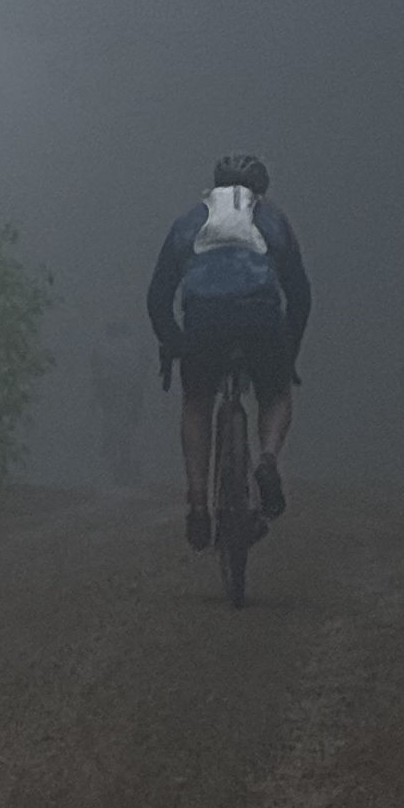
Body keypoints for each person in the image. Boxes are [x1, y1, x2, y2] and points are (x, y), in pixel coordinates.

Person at [146, 151, 310, 552]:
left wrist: (174, 341)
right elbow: (300, 295)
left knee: (197, 402)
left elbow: (158, 296)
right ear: (261, 189)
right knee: (275, 395)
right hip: (261, 319)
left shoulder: (190, 219)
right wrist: (288, 353)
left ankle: (198, 504)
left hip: (204, 321)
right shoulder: (272, 219)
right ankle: (267, 459)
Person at [87, 316, 149, 487]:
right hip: (130, 390)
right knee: (129, 427)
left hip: (109, 391)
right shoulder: (135, 345)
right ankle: (126, 463)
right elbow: (142, 370)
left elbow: (96, 372)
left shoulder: (101, 346)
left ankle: (114, 460)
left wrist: (96, 396)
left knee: (112, 424)